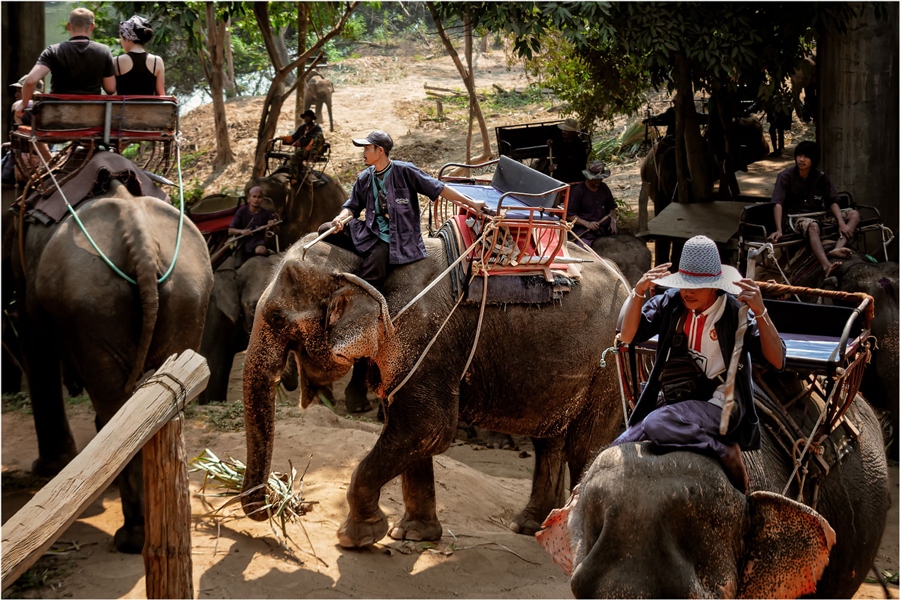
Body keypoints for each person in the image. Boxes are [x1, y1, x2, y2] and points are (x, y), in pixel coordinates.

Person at [613, 235, 785, 493]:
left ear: (715, 286)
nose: (688, 292)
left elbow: (777, 360)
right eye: (684, 284)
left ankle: (724, 450)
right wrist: (638, 292)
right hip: (677, 399)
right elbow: (626, 337)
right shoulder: (672, 303)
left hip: (719, 403)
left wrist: (760, 312)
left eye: (697, 285)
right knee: (618, 446)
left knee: (655, 424)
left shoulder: (734, 312)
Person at [320, 130, 486, 289]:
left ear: (380, 151)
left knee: (372, 270)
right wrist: (340, 219)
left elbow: (439, 188)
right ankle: (365, 253)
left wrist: (470, 203)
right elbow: (351, 207)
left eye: (366, 148)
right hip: (371, 230)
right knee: (325, 229)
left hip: (394, 237)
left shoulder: (405, 171)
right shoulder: (365, 177)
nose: (363, 152)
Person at [766, 140, 860, 277]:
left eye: (806, 156)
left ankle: (838, 248)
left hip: (819, 214)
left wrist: (840, 222)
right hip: (796, 219)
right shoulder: (785, 176)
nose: (801, 159)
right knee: (813, 226)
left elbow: (832, 201)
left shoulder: (821, 177)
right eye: (799, 155)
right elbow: (777, 203)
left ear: (814, 159)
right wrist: (779, 229)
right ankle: (826, 265)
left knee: (854, 214)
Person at [16, 7, 116, 121]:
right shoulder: (103, 51)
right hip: (91, 117)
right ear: (92, 26)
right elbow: (110, 89)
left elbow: (30, 81)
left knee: (16, 106)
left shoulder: (53, 51)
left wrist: (23, 104)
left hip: (56, 117)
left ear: (68, 26)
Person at [566, 161, 617, 247]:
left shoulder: (604, 188)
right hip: (585, 231)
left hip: (604, 229)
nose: (599, 181)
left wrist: (613, 220)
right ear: (588, 177)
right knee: (583, 250)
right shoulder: (578, 191)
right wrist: (587, 223)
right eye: (595, 179)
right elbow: (569, 215)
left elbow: (611, 208)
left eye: (600, 178)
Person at [228, 186, 278, 268]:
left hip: (258, 242)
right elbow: (230, 230)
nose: (256, 200)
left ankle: (267, 253)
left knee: (260, 250)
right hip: (244, 243)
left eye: (259, 197)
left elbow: (277, 232)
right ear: (249, 198)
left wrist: (274, 225)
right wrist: (241, 232)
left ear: (262, 199)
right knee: (238, 267)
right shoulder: (241, 212)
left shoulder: (266, 214)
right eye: (254, 196)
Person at [114, 16, 165, 96]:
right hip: (150, 108)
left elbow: (111, 90)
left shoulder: (116, 61)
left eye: (121, 38)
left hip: (123, 108)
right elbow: (161, 94)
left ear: (127, 38)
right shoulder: (157, 61)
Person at [280, 109, 325, 183]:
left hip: (314, 149)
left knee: (319, 136)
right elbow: (293, 138)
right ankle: (294, 177)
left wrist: (308, 150)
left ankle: (312, 156)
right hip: (304, 149)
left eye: (308, 117)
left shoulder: (317, 128)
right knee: (294, 156)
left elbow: (315, 140)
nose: (306, 119)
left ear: (312, 119)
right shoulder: (302, 127)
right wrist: (282, 138)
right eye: (305, 117)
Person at [550, 118, 587, 184]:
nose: (563, 132)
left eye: (566, 131)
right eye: (563, 130)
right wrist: (551, 143)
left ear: (573, 132)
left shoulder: (578, 145)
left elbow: (574, 164)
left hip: (574, 177)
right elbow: (557, 145)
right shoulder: (563, 140)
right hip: (562, 176)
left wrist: (556, 167)